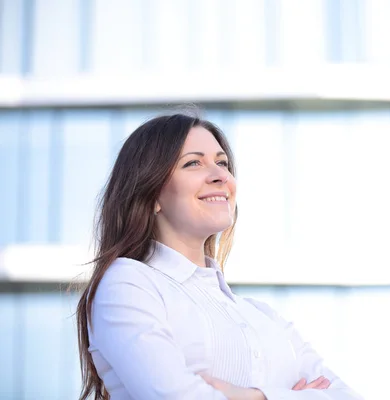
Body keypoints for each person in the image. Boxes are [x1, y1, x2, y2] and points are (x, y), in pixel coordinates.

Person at [75, 112, 364, 400]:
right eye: (193, 163)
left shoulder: (263, 317)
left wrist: (250, 396)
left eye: (222, 163)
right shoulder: (126, 283)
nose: (221, 176)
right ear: (152, 196)